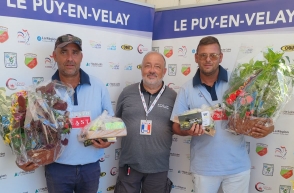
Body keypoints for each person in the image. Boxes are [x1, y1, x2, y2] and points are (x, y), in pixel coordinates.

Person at [170, 36, 274, 193]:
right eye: (203, 55)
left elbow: (263, 116)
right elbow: (176, 126)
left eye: (213, 55)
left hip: (237, 167)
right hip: (203, 169)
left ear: (221, 57)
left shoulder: (239, 82)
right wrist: (187, 130)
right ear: (196, 58)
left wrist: (269, 128)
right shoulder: (187, 89)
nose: (208, 60)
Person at [44, 34, 114, 193]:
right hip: (57, 169)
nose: (70, 58)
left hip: (90, 167)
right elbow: (37, 132)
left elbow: (110, 121)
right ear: (54, 56)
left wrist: (108, 140)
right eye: (64, 52)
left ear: (81, 56)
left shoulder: (98, 86)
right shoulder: (45, 90)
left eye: (75, 52)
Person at [114, 51, 177, 193]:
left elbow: (178, 127)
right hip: (129, 165)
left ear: (164, 71)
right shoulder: (127, 92)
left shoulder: (173, 97)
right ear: (142, 68)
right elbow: (115, 123)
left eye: (157, 66)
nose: (152, 70)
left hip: (158, 168)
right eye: (147, 66)